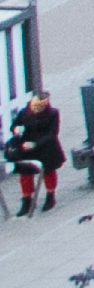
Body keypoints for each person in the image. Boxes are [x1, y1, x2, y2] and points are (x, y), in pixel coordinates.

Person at [9, 85, 60, 216]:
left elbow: (52, 133)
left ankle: (50, 195)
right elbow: (15, 125)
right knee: (25, 173)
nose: (35, 109)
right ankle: (26, 200)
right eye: (34, 106)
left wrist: (36, 143)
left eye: (39, 107)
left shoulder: (52, 114)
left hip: (44, 146)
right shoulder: (24, 112)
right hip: (26, 145)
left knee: (48, 171)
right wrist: (16, 129)